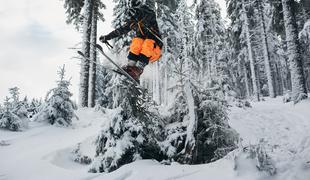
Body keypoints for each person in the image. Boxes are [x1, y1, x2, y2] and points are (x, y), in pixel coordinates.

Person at [99, 0, 163, 82]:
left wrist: (139, 13)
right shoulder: (134, 22)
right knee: (137, 41)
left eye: (134, 12)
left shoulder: (149, 15)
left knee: (148, 42)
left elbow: (149, 14)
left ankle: (139, 69)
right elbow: (121, 30)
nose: (133, 16)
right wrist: (107, 37)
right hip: (144, 53)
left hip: (155, 50)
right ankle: (131, 67)